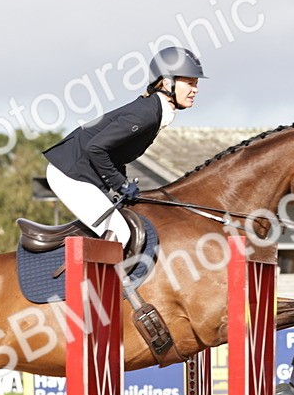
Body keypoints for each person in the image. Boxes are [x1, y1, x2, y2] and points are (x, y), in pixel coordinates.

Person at [42, 46, 205, 247]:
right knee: (120, 234)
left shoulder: (155, 112)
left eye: (196, 84)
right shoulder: (145, 114)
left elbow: (115, 155)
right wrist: (121, 185)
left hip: (83, 174)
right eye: (190, 83)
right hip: (69, 174)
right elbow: (96, 148)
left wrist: (122, 186)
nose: (195, 89)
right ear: (167, 82)